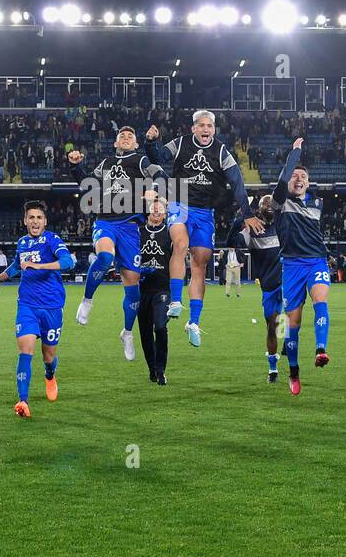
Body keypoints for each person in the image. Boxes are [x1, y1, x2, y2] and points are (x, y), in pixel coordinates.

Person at [146, 111, 264, 346]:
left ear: (214, 130)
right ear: (193, 128)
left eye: (209, 125)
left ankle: (194, 322)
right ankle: (176, 301)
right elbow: (157, 157)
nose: (205, 129)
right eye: (201, 125)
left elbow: (237, 182)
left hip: (205, 212)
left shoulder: (221, 151)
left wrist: (247, 214)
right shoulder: (179, 143)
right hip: (179, 202)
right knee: (180, 244)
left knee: (200, 264)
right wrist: (151, 141)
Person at [70, 126, 165, 363]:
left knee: (132, 288)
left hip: (131, 227)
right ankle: (87, 301)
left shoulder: (140, 160)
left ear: (135, 144)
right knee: (104, 258)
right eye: (121, 136)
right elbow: (86, 184)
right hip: (106, 221)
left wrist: (154, 191)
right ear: (115, 143)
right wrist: (75, 165)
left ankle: (127, 332)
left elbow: (160, 175)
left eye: (130, 137)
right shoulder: (106, 163)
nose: (125, 138)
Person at [0, 200, 74, 417]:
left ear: (45, 221)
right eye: (31, 217)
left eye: (39, 217)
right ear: (25, 221)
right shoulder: (23, 243)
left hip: (52, 306)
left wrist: (40, 265)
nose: (35, 221)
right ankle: (23, 401)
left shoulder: (52, 240)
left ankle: (49, 375)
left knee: (48, 356)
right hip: (27, 304)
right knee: (25, 351)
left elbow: (68, 262)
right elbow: (18, 265)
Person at [270, 139, 331, 396]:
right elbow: (284, 180)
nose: (298, 179)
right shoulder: (280, 202)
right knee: (291, 323)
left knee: (320, 300)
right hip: (291, 266)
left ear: (308, 182)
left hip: (317, 260)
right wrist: (295, 154)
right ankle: (293, 371)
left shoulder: (317, 205)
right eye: (295, 175)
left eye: (303, 176)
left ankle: (320, 349)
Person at [227, 194, 284, 383]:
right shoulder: (252, 230)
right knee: (272, 328)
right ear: (258, 209)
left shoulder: (284, 224)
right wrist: (239, 217)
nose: (268, 205)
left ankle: (289, 362)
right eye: (264, 203)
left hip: (288, 283)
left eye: (271, 203)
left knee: (289, 321)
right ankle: (273, 367)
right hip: (269, 286)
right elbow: (231, 242)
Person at [135, 198, 173, 384]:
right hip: (141, 289)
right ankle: (152, 368)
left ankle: (161, 370)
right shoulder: (138, 232)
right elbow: (127, 258)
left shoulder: (171, 233)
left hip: (162, 288)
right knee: (144, 332)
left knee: (160, 326)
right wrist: (137, 272)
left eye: (161, 209)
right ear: (148, 211)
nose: (157, 211)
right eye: (154, 208)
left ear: (165, 213)